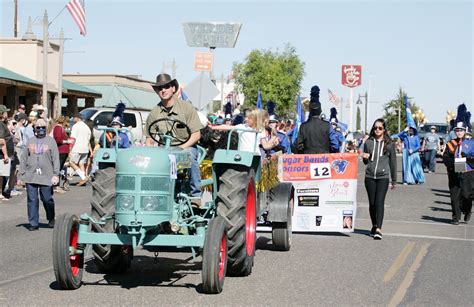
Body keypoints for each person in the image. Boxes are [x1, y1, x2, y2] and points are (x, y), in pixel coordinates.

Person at [144, 73, 203, 200]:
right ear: (157, 92)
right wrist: (150, 150)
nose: (163, 90)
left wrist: (181, 148)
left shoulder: (187, 108)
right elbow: (149, 139)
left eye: (166, 86)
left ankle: (195, 195)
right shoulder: (154, 112)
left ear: (173, 88)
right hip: (164, 149)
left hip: (185, 147)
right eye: (160, 88)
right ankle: (150, 194)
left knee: (190, 156)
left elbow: (196, 134)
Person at [18, 118, 60, 231]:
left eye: (43, 127)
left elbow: (56, 158)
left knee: (47, 199)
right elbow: (24, 158)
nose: (40, 129)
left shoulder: (51, 141)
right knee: (32, 199)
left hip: (47, 175)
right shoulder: (30, 141)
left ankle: (51, 217)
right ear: (35, 129)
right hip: (31, 175)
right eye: (38, 127)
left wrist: (56, 174)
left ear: (46, 128)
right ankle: (33, 223)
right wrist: (21, 174)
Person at [361, 119, 397, 240]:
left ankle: (379, 229)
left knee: (379, 202)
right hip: (370, 176)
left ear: (384, 130)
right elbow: (366, 161)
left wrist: (394, 180)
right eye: (375, 128)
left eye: (380, 128)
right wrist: (365, 158)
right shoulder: (368, 143)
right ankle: (374, 225)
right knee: (372, 203)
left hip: (383, 177)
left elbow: (393, 162)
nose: (377, 130)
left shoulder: (390, 144)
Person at [294, 85, 339, 154]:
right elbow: (335, 145)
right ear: (320, 111)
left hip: (308, 159)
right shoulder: (327, 125)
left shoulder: (303, 126)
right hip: (325, 159)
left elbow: (297, 145)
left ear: (310, 111)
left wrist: (305, 152)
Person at [211, 108, 277, 154]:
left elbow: (266, 146)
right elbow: (226, 127)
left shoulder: (260, 130)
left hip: (254, 157)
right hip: (242, 156)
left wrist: (273, 142)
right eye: (246, 117)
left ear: (255, 120)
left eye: (249, 118)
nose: (246, 119)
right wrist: (212, 127)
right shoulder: (242, 127)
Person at [443, 122, 472, 224]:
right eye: (457, 130)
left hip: (468, 172)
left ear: (465, 131)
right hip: (454, 172)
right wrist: (454, 163)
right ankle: (456, 217)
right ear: (455, 132)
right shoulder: (451, 144)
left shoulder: (471, 143)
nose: (459, 132)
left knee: (467, 195)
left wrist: (467, 157)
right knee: (455, 196)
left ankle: (468, 210)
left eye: (461, 130)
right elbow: (445, 158)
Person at [69, 113, 91, 186]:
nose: (73, 119)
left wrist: (70, 148)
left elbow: (73, 138)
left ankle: (83, 177)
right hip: (85, 148)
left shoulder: (75, 126)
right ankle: (83, 179)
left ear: (78, 118)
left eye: (74, 117)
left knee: (71, 162)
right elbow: (88, 139)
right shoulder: (87, 127)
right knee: (81, 163)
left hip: (76, 147)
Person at [50, 116, 70, 193]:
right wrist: (67, 141)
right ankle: (55, 186)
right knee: (57, 168)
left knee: (59, 168)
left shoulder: (60, 128)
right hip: (60, 151)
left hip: (63, 151)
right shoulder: (58, 128)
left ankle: (56, 185)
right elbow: (57, 139)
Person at [0, 105, 15, 201]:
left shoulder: (3, 124)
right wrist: (5, 154)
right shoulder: (1, 125)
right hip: (2, 155)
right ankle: (0, 193)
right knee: (1, 175)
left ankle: (2, 192)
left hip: (4, 154)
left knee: (3, 174)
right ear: (2, 114)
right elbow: (1, 141)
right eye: (5, 112)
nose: (7, 114)